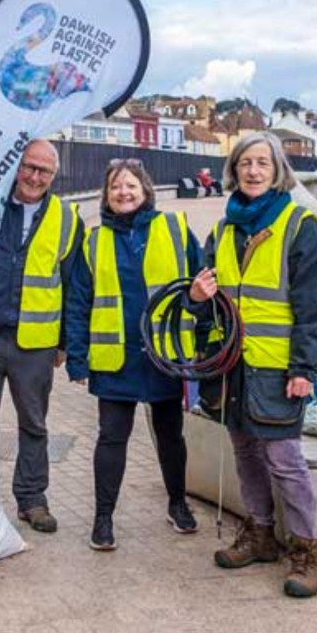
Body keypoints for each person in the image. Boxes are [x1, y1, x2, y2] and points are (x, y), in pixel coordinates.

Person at [190, 131, 317, 598]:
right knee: (246, 453)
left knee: (285, 460)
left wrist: (304, 369)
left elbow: (314, 307)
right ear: (234, 170)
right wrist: (196, 298)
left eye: (262, 163)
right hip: (232, 366)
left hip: (276, 367)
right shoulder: (225, 229)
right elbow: (208, 300)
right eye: (245, 162)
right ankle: (262, 533)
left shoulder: (299, 224)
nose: (253, 171)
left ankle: (308, 550)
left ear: (277, 171)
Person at [65, 159, 202, 551]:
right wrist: (77, 358)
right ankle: (103, 518)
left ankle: (178, 504)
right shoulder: (93, 241)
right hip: (115, 359)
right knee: (112, 438)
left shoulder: (174, 229)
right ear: (107, 196)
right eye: (115, 188)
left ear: (145, 191)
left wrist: (204, 342)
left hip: (164, 356)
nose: (123, 193)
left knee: (170, 436)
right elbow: (79, 303)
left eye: (131, 186)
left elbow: (201, 286)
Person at [0, 139, 83, 533]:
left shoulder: (67, 218)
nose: (33, 176)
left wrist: (64, 342)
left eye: (43, 171)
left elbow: (73, 283)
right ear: (16, 166)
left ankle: (32, 499)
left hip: (36, 342)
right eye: (28, 167)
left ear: (53, 176)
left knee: (34, 423)